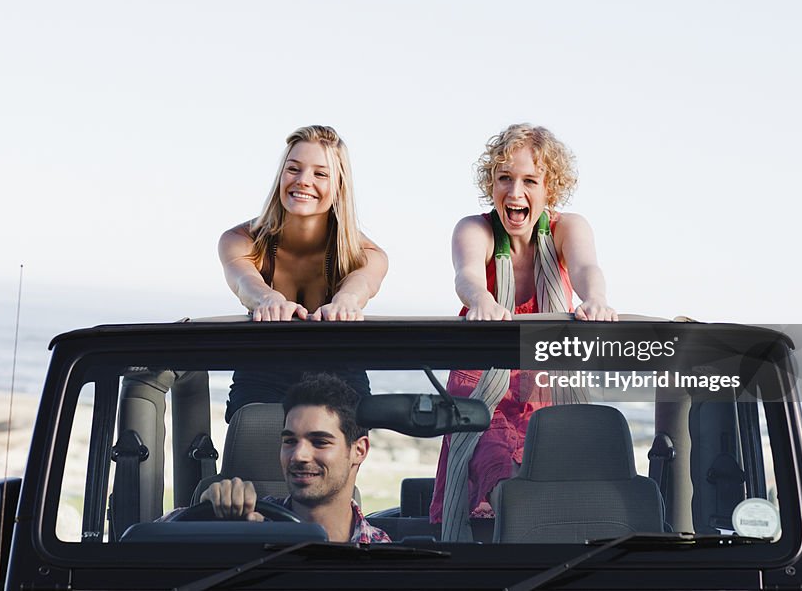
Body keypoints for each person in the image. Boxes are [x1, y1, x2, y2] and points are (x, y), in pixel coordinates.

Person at [430, 123, 617, 538]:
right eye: (504, 179)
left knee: (553, 471)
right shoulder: (474, 227)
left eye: (529, 180)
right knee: (493, 461)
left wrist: (595, 299)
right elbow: (468, 275)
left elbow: (587, 268)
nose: (515, 193)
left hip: (546, 382)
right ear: (491, 183)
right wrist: (481, 300)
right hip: (482, 379)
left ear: (551, 188)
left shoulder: (569, 227)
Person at [219, 126, 388, 418]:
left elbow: (361, 284)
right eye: (293, 169)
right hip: (262, 372)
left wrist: (346, 301)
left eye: (320, 174)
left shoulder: (367, 255)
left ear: (339, 185)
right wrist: (267, 299)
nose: (303, 181)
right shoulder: (239, 240)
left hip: (340, 375)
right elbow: (244, 282)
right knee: (251, 455)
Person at [164, 373, 389, 544]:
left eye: (320, 442)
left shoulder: (385, 554)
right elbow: (145, 540)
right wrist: (205, 519)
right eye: (289, 441)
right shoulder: (245, 523)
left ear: (359, 451)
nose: (299, 456)